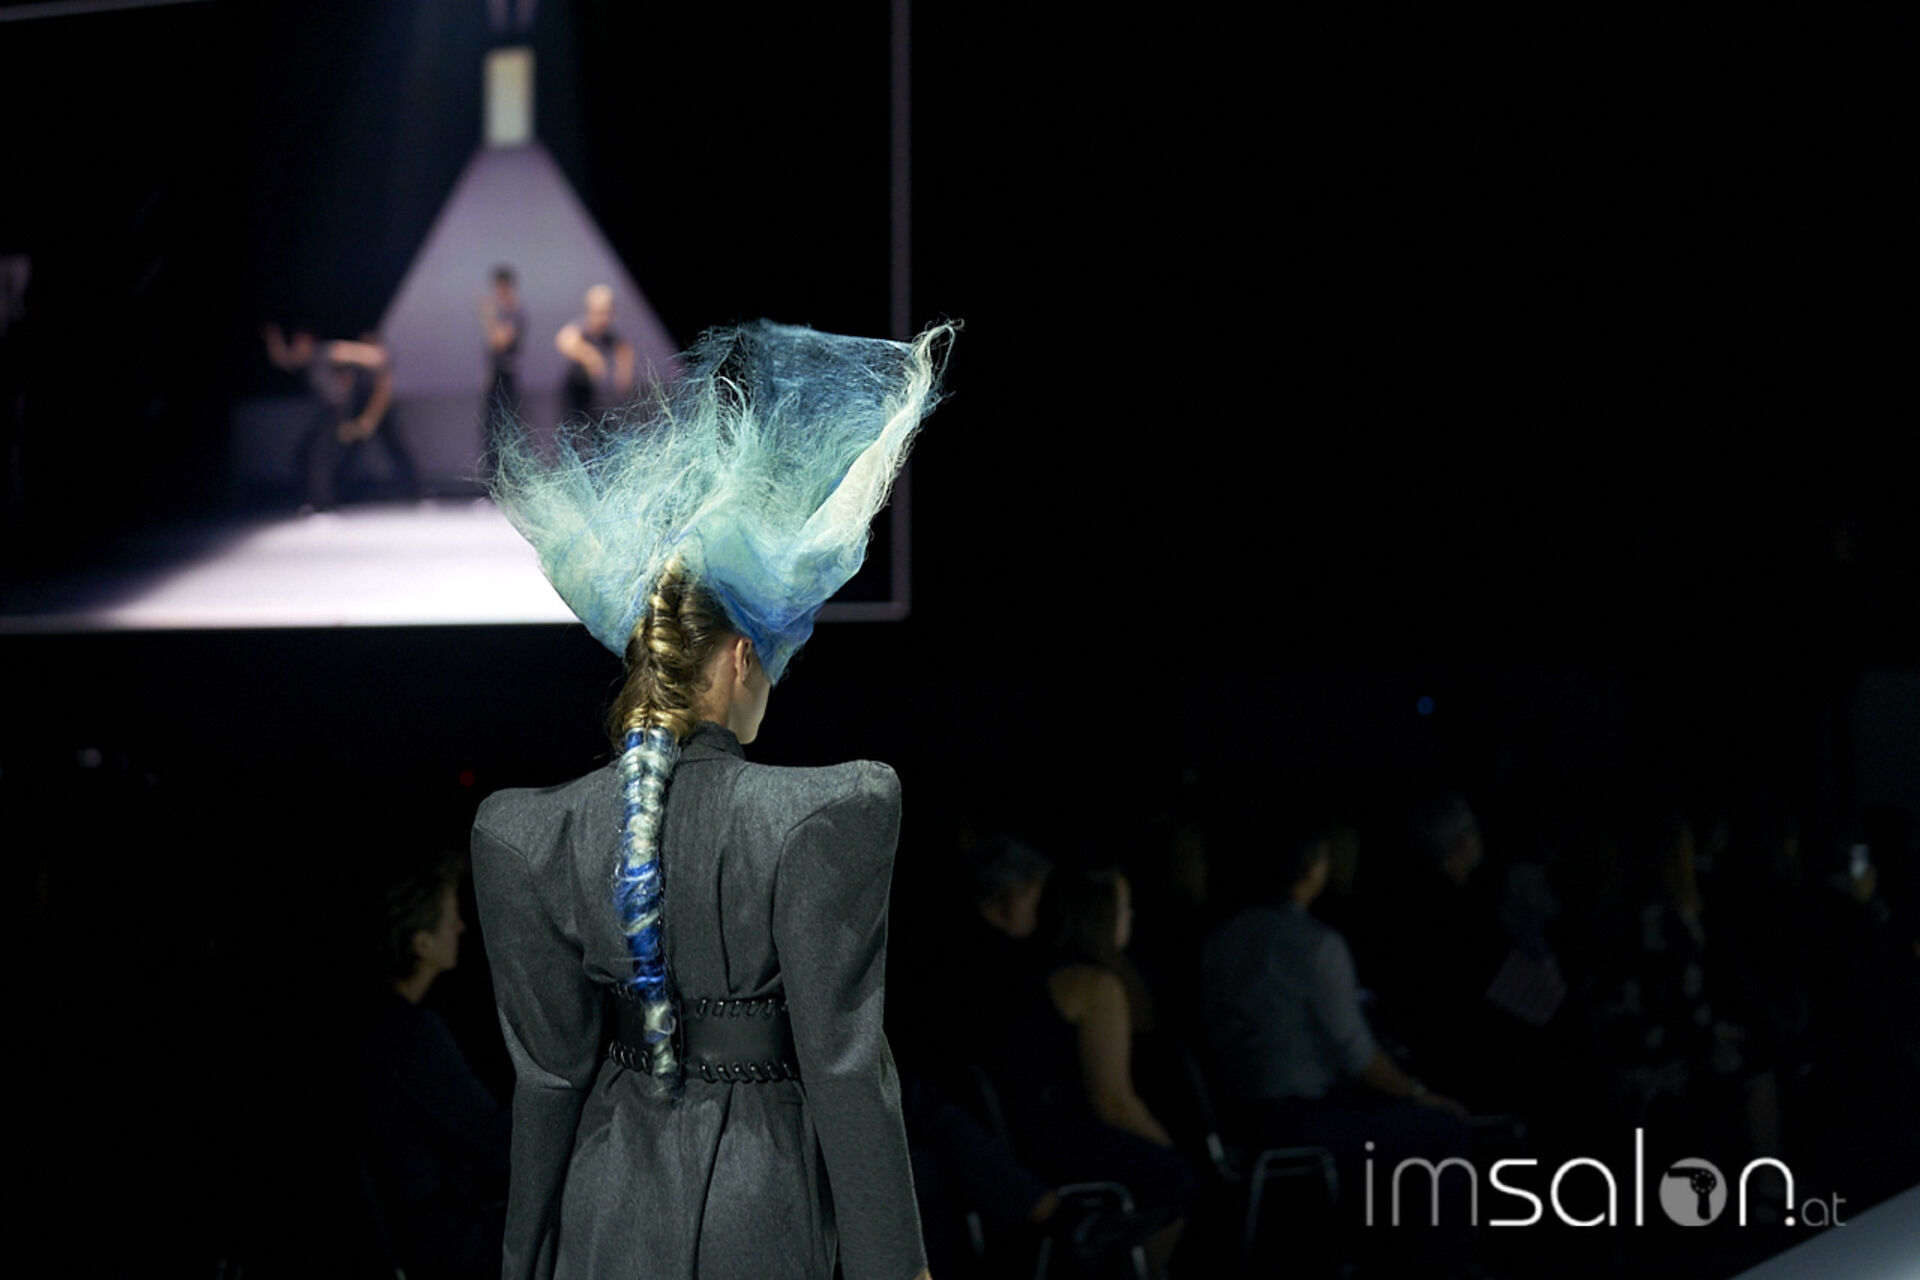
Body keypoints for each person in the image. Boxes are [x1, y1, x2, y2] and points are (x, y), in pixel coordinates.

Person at [472, 319, 953, 1280]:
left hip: (605, 1210)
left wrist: (524, 1257)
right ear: (739, 658)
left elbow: (550, 1080)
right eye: (776, 657)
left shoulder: (529, 832)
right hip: (760, 1209)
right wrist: (897, 1268)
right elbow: (845, 1070)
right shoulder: (825, 815)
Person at [360, 854, 510, 1280]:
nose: (460, 927)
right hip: (438, 1246)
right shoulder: (407, 1033)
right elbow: (491, 1140)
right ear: (421, 944)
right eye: (450, 917)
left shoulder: (388, 1023)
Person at [263, 321, 392, 512]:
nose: (297, 347)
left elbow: (351, 352)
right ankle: (319, 500)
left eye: (300, 343)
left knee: (317, 455)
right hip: (328, 411)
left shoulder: (323, 351)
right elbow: (283, 359)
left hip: (337, 408)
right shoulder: (304, 360)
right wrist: (273, 339)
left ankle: (322, 503)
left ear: (309, 342)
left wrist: (372, 355)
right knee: (308, 453)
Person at [554, 284, 634, 423]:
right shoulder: (581, 329)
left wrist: (623, 374)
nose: (603, 318)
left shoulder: (608, 335)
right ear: (589, 311)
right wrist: (589, 356)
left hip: (594, 393)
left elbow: (624, 350)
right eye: (599, 313)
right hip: (573, 391)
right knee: (573, 424)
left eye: (607, 313)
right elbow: (564, 339)